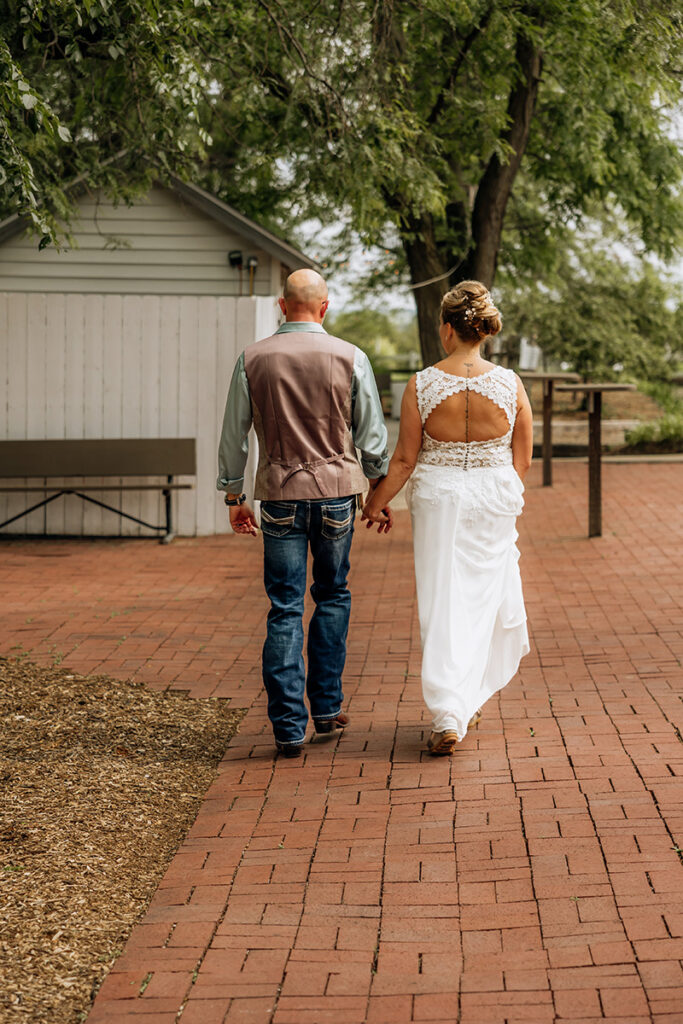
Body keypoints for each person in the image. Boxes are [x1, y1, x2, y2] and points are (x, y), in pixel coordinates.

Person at [217, 269, 391, 758]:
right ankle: (328, 708)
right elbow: (371, 433)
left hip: (277, 494)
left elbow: (234, 434)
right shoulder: (350, 356)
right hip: (337, 493)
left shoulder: (253, 359)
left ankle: (288, 727)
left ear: (280, 304)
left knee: (285, 607)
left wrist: (234, 496)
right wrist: (378, 485)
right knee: (333, 595)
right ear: (325, 306)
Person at [363, 281, 533, 756]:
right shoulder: (510, 384)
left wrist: (376, 503)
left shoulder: (423, 384)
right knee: (481, 599)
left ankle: (448, 711)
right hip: (494, 498)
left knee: (442, 600)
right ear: (483, 330)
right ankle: (462, 699)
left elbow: (403, 460)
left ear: (446, 327)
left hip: (438, 498)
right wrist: (492, 489)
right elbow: (522, 461)